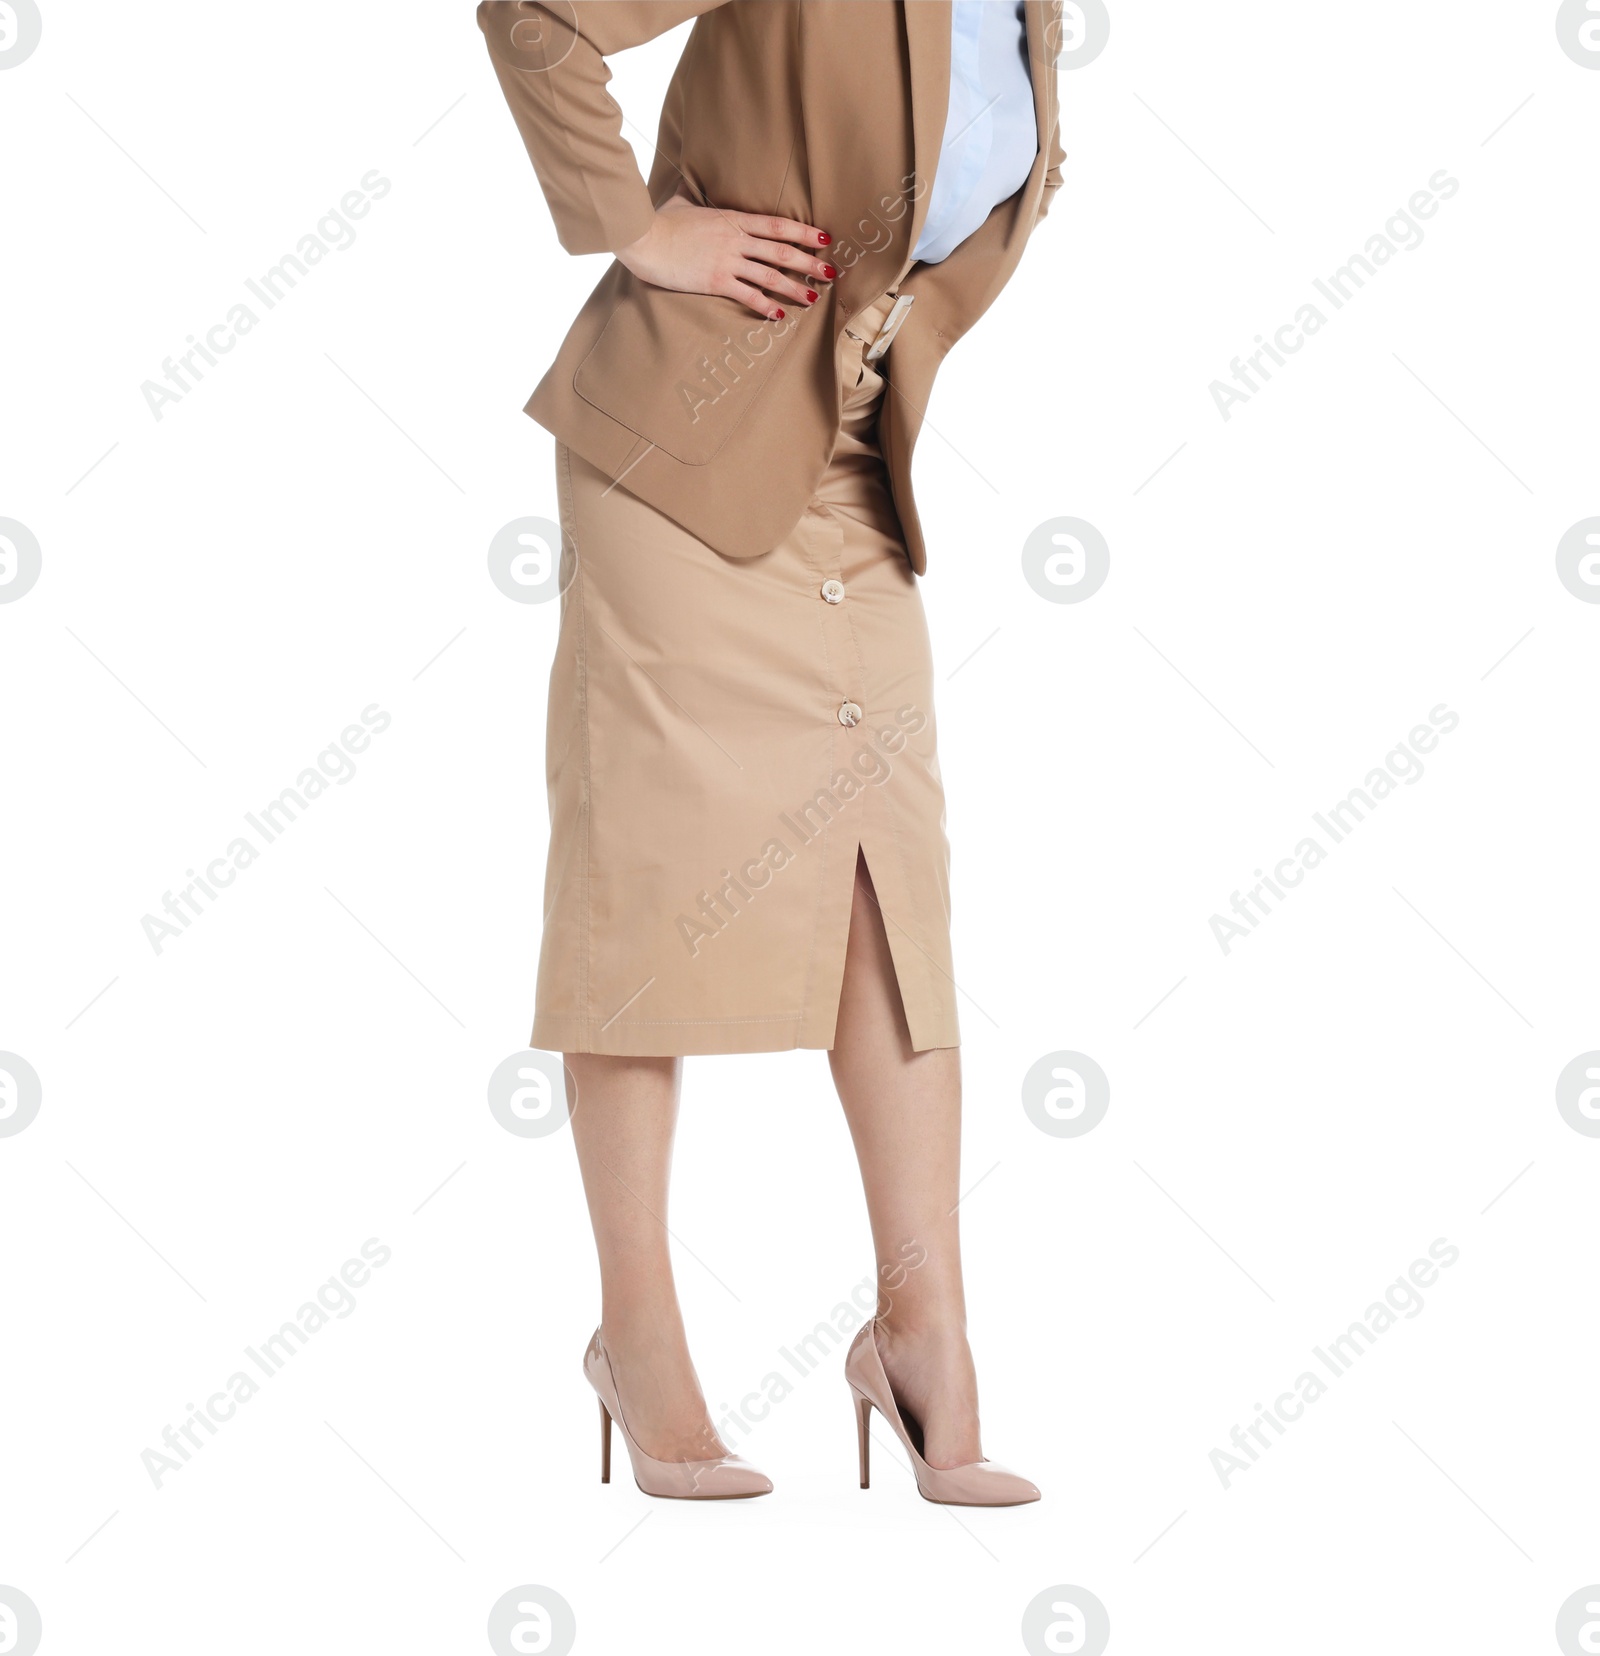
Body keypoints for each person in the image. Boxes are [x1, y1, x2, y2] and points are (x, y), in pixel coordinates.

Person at [477, 0, 1065, 1503]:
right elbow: (537, 15)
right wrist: (637, 226)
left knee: (890, 887)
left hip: (850, 463)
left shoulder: (1036, 14)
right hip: (681, 443)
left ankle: (921, 1335)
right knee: (654, 874)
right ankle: (640, 1344)